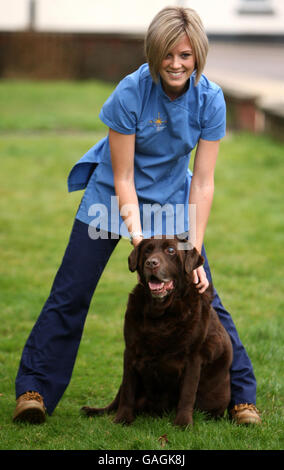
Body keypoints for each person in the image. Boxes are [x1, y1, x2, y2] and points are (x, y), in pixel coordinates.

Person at [13, 6, 261, 425]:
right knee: (71, 291)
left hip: (170, 199)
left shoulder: (211, 99)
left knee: (204, 291)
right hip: (112, 194)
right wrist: (138, 237)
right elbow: (124, 177)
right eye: (168, 54)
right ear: (153, 53)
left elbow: (202, 183)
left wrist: (192, 252)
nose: (176, 64)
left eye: (185, 55)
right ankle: (34, 389)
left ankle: (241, 398)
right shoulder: (130, 92)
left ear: (197, 55)